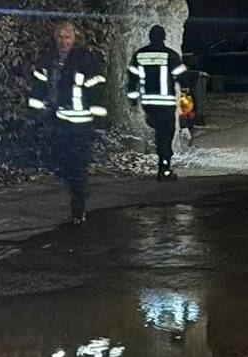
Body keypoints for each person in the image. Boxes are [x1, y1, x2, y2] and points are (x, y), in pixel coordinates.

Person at [28, 21, 109, 226]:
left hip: (81, 122)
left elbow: (97, 86)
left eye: (67, 37)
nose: (64, 41)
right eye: (60, 37)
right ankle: (76, 188)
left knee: (78, 164)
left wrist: (96, 111)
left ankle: (78, 205)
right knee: (60, 160)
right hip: (60, 120)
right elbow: (39, 85)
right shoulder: (49, 60)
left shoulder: (84, 59)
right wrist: (39, 109)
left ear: (74, 39)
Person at [126, 25, 186, 182]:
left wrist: (133, 99)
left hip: (149, 104)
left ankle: (163, 167)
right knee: (166, 135)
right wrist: (186, 90)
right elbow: (182, 77)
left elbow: (133, 79)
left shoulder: (140, 55)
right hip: (166, 104)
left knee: (160, 134)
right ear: (164, 37)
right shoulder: (170, 55)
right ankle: (164, 169)